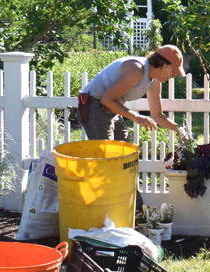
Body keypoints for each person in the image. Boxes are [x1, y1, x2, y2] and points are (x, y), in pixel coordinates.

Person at [78, 44, 186, 211]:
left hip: (111, 107)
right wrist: (136, 117)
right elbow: (106, 99)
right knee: (108, 161)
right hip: (93, 106)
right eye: (173, 71)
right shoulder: (136, 69)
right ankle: (105, 212)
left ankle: (133, 210)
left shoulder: (154, 81)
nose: (173, 76)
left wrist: (179, 129)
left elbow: (157, 115)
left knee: (126, 158)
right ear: (162, 64)